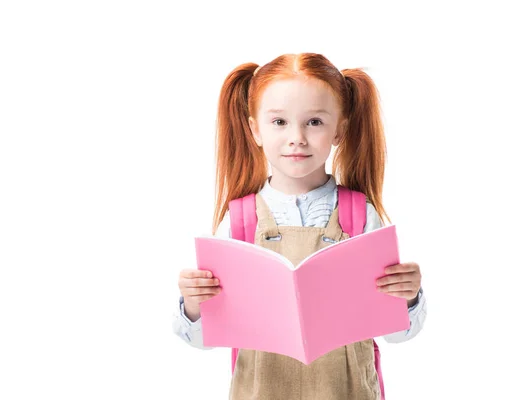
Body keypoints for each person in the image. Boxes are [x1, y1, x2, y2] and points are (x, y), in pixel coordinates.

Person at [172, 52, 427, 399]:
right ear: (254, 129)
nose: (297, 138)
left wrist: (408, 297)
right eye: (279, 122)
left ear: (340, 129)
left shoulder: (359, 215)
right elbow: (204, 340)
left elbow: (397, 334)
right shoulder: (239, 222)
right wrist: (193, 303)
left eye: (315, 122)